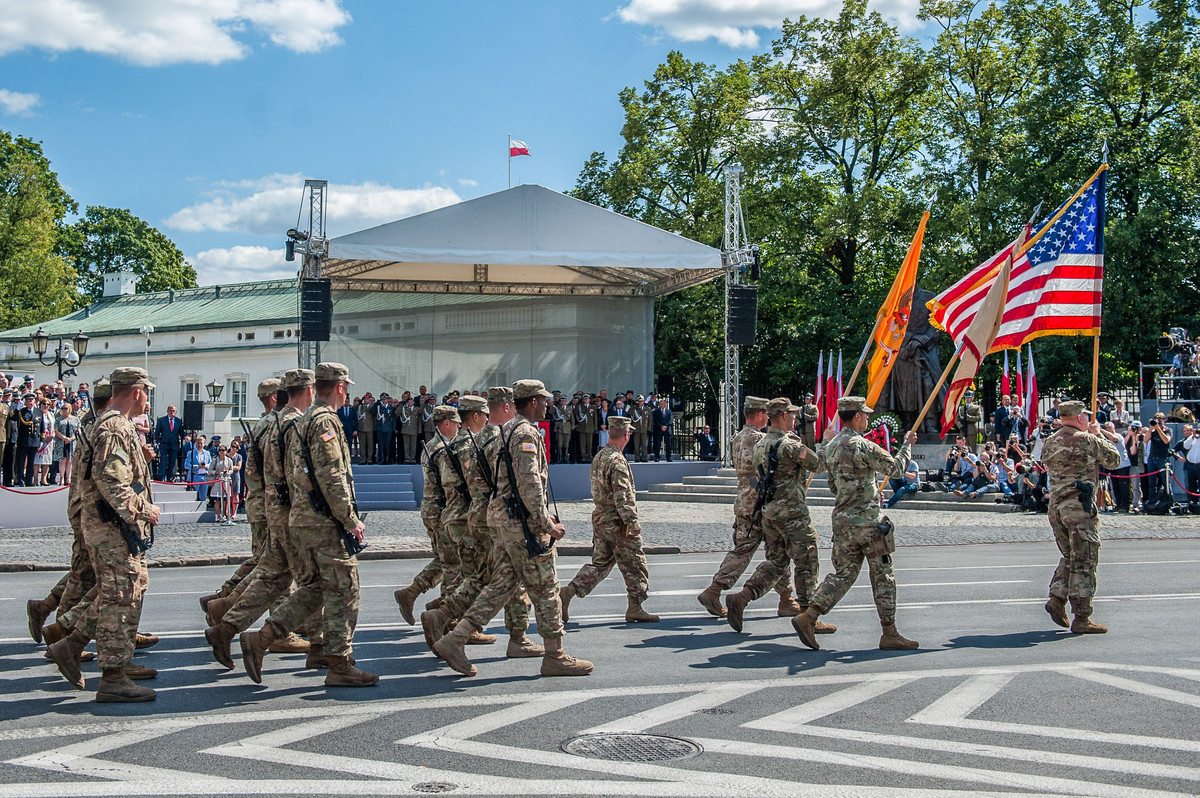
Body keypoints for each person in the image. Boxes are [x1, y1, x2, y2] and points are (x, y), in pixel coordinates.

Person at [433, 379, 593, 678]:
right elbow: (529, 483)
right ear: (532, 401)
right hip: (523, 525)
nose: (548, 403)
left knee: (502, 585)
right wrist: (547, 524)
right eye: (543, 399)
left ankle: (455, 638)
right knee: (546, 588)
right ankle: (555, 655)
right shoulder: (524, 433)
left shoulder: (506, 431)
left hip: (504, 521)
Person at [239, 363, 376, 688]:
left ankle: (264, 639)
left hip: (302, 517)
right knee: (345, 588)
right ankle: (338, 663)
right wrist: (349, 519)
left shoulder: (302, 421)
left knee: (315, 588)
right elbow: (331, 475)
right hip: (324, 520)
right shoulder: (324, 420)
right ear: (340, 387)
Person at [47, 367, 162, 703]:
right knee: (119, 596)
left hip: (114, 525)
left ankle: (71, 644)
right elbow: (108, 479)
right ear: (137, 391)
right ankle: (112, 677)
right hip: (109, 525)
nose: (148, 399)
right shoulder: (113, 425)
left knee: (126, 589)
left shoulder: (118, 423)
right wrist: (143, 510)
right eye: (146, 392)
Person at [795, 396, 919, 652]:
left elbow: (832, 485)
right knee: (883, 577)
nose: (868, 418)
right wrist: (907, 446)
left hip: (842, 521)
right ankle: (890, 633)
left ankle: (809, 615)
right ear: (857, 416)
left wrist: (865, 489)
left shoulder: (831, 447)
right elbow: (895, 469)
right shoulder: (863, 446)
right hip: (868, 525)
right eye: (865, 414)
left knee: (843, 575)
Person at [420, 393, 539, 655]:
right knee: (510, 578)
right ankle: (515, 637)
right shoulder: (493, 440)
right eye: (483, 415)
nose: (486, 418)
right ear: (477, 415)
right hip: (492, 517)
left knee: (480, 577)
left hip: (467, 516)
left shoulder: (458, 444)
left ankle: (444, 615)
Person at [723, 397, 834, 637]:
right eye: (792, 415)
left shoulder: (762, 443)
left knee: (777, 561)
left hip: (769, 511)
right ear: (783, 416)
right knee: (807, 561)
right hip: (792, 512)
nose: (794, 419)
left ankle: (743, 597)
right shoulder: (790, 445)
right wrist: (825, 441)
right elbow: (820, 465)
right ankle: (807, 616)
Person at [697, 397, 801, 618]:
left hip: (744, 500)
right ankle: (715, 590)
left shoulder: (737, 438)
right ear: (762, 414)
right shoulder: (759, 439)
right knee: (772, 551)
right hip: (760, 502)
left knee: (763, 550)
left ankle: (786, 598)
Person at [560, 415, 659, 624]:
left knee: (601, 564)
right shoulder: (618, 461)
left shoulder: (599, 456)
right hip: (617, 522)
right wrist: (632, 522)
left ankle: (569, 591)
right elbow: (623, 496)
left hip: (600, 517)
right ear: (626, 435)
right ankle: (635, 606)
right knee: (636, 564)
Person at [1040, 400, 1120, 634]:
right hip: (1078, 506)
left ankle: (1057, 598)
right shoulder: (1086, 439)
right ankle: (1082, 616)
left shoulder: (1051, 441)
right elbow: (1114, 460)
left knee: (1070, 555)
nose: (1087, 419)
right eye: (1085, 415)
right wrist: (1098, 435)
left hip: (1056, 506)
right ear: (1079, 418)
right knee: (1085, 559)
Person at [1102, 421, 1132, 513]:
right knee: (1115, 487)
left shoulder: (1118, 436)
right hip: (1113, 466)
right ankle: (1118, 504)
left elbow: (1114, 438)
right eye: (1106, 428)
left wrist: (1102, 430)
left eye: (1109, 427)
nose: (1108, 429)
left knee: (1123, 486)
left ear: (1113, 428)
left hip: (1122, 465)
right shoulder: (1106, 439)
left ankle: (1125, 505)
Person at [1143, 412, 1172, 505]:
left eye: (1160, 420)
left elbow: (1166, 440)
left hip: (1162, 458)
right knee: (1152, 483)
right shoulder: (1153, 431)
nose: (1158, 423)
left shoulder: (1168, 430)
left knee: (1165, 482)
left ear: (1164, 421)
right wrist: (1151, 428)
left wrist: (1158, 429)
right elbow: (1145, 440)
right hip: (1152, 458)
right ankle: (1152, 502)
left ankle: (1168, 501)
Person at [154, 406, 184, 481]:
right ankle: (161, 477)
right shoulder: (162, 420)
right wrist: (158, 442)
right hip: (164, 444)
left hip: (174, 444)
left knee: (172, 461)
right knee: (163, 460)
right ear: (167, 411)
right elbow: (157, 432)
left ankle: (170, 477)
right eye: (170, 411)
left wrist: (185, 437)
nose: (172, 412)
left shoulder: (178, 421)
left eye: (174, 411)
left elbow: (181, 432)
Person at [53, 403, 79, 487]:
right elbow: (56, 430)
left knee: (70, 460)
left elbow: (78, 430)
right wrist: (64, 438)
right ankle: (61, 478)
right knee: (62, 460)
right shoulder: (58, 419)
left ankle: (68, 478)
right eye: (63, 408)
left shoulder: (75, 419)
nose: (64, 410)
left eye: (66, 408)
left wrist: (71, 438)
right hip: (61, 442)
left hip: (71, 442)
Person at [186, 434, 212, 503]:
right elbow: (186, 465)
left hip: (204, 477)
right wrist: (197, 466)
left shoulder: (207, 453)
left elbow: (211, 464)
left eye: (201, 443)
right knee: (193, 496)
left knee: (203, 497)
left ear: (204, 444)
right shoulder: (190, 453)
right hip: (195, 477)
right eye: (198, 443)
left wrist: (206, 466)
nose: (199, 445)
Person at [1180, 423, 1200, 513]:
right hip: (1191, 465)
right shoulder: (1193, 437)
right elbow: (1186, 445)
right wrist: (1193, 436)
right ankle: (1193, 504)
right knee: (1191, 485)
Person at [630, 395, 650, 462]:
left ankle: (644, 457)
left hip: (644, 429)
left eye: (641, 401)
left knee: (644, 445)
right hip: (636, 429)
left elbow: (649, 420)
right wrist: (633, 406)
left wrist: (649, 428)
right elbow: (629, 413)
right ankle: (637, 458)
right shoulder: (634, 409)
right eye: (639, 401)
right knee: (636, 445)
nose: (640, 402)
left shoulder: (647, 409)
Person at [357, 393, 376, 464]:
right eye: (365, 399)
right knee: (362, 445)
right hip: (361, 428)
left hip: (370, 428)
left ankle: (369, 459)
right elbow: (354, 408)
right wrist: (359, 402)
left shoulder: (372, 407)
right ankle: (362, 459)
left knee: (370, 445)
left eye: (367, 399)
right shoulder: (360, 407)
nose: (366, 400)